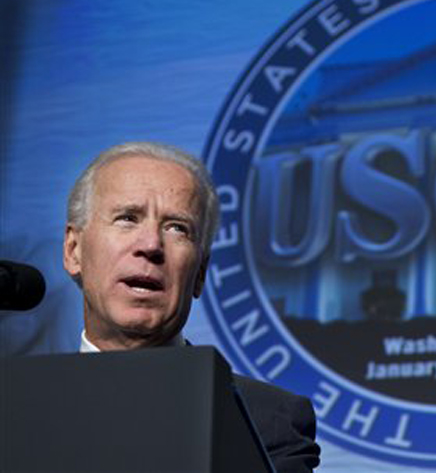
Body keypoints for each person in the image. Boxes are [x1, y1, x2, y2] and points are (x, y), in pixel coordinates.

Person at [62, 141, 320, 472]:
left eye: (176, 228)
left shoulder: (268, 420)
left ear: (199, 274)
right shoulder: (16, 405)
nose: (151, 245)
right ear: (73, 250)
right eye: (127, 218)